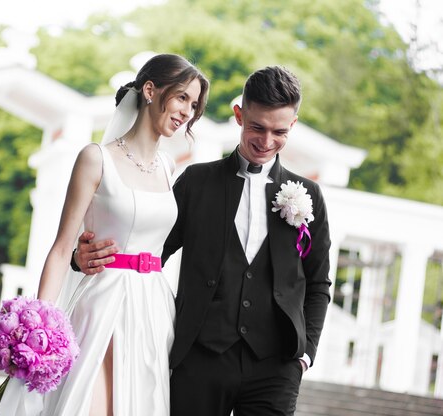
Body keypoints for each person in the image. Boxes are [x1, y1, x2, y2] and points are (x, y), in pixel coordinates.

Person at [73, 66, 332, 416]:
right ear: (239, 115)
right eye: (257, 127)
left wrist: (304, 355)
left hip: (275, 367)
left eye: (279, 132)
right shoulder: (196, 181)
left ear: (293, 125)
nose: (266, 141)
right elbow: (148, 247)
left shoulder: (309, 196)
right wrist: (82, 257)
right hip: (200, 359)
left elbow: (318, 282)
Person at [0, 53, 209, 416]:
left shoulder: (170, 168)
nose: (188, 111)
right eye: (183, 98)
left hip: (155, 309)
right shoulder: (95, 159)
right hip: (104, 302)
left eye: (195, 104)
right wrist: (38, 326)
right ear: (151, 90)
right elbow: (62, 249)